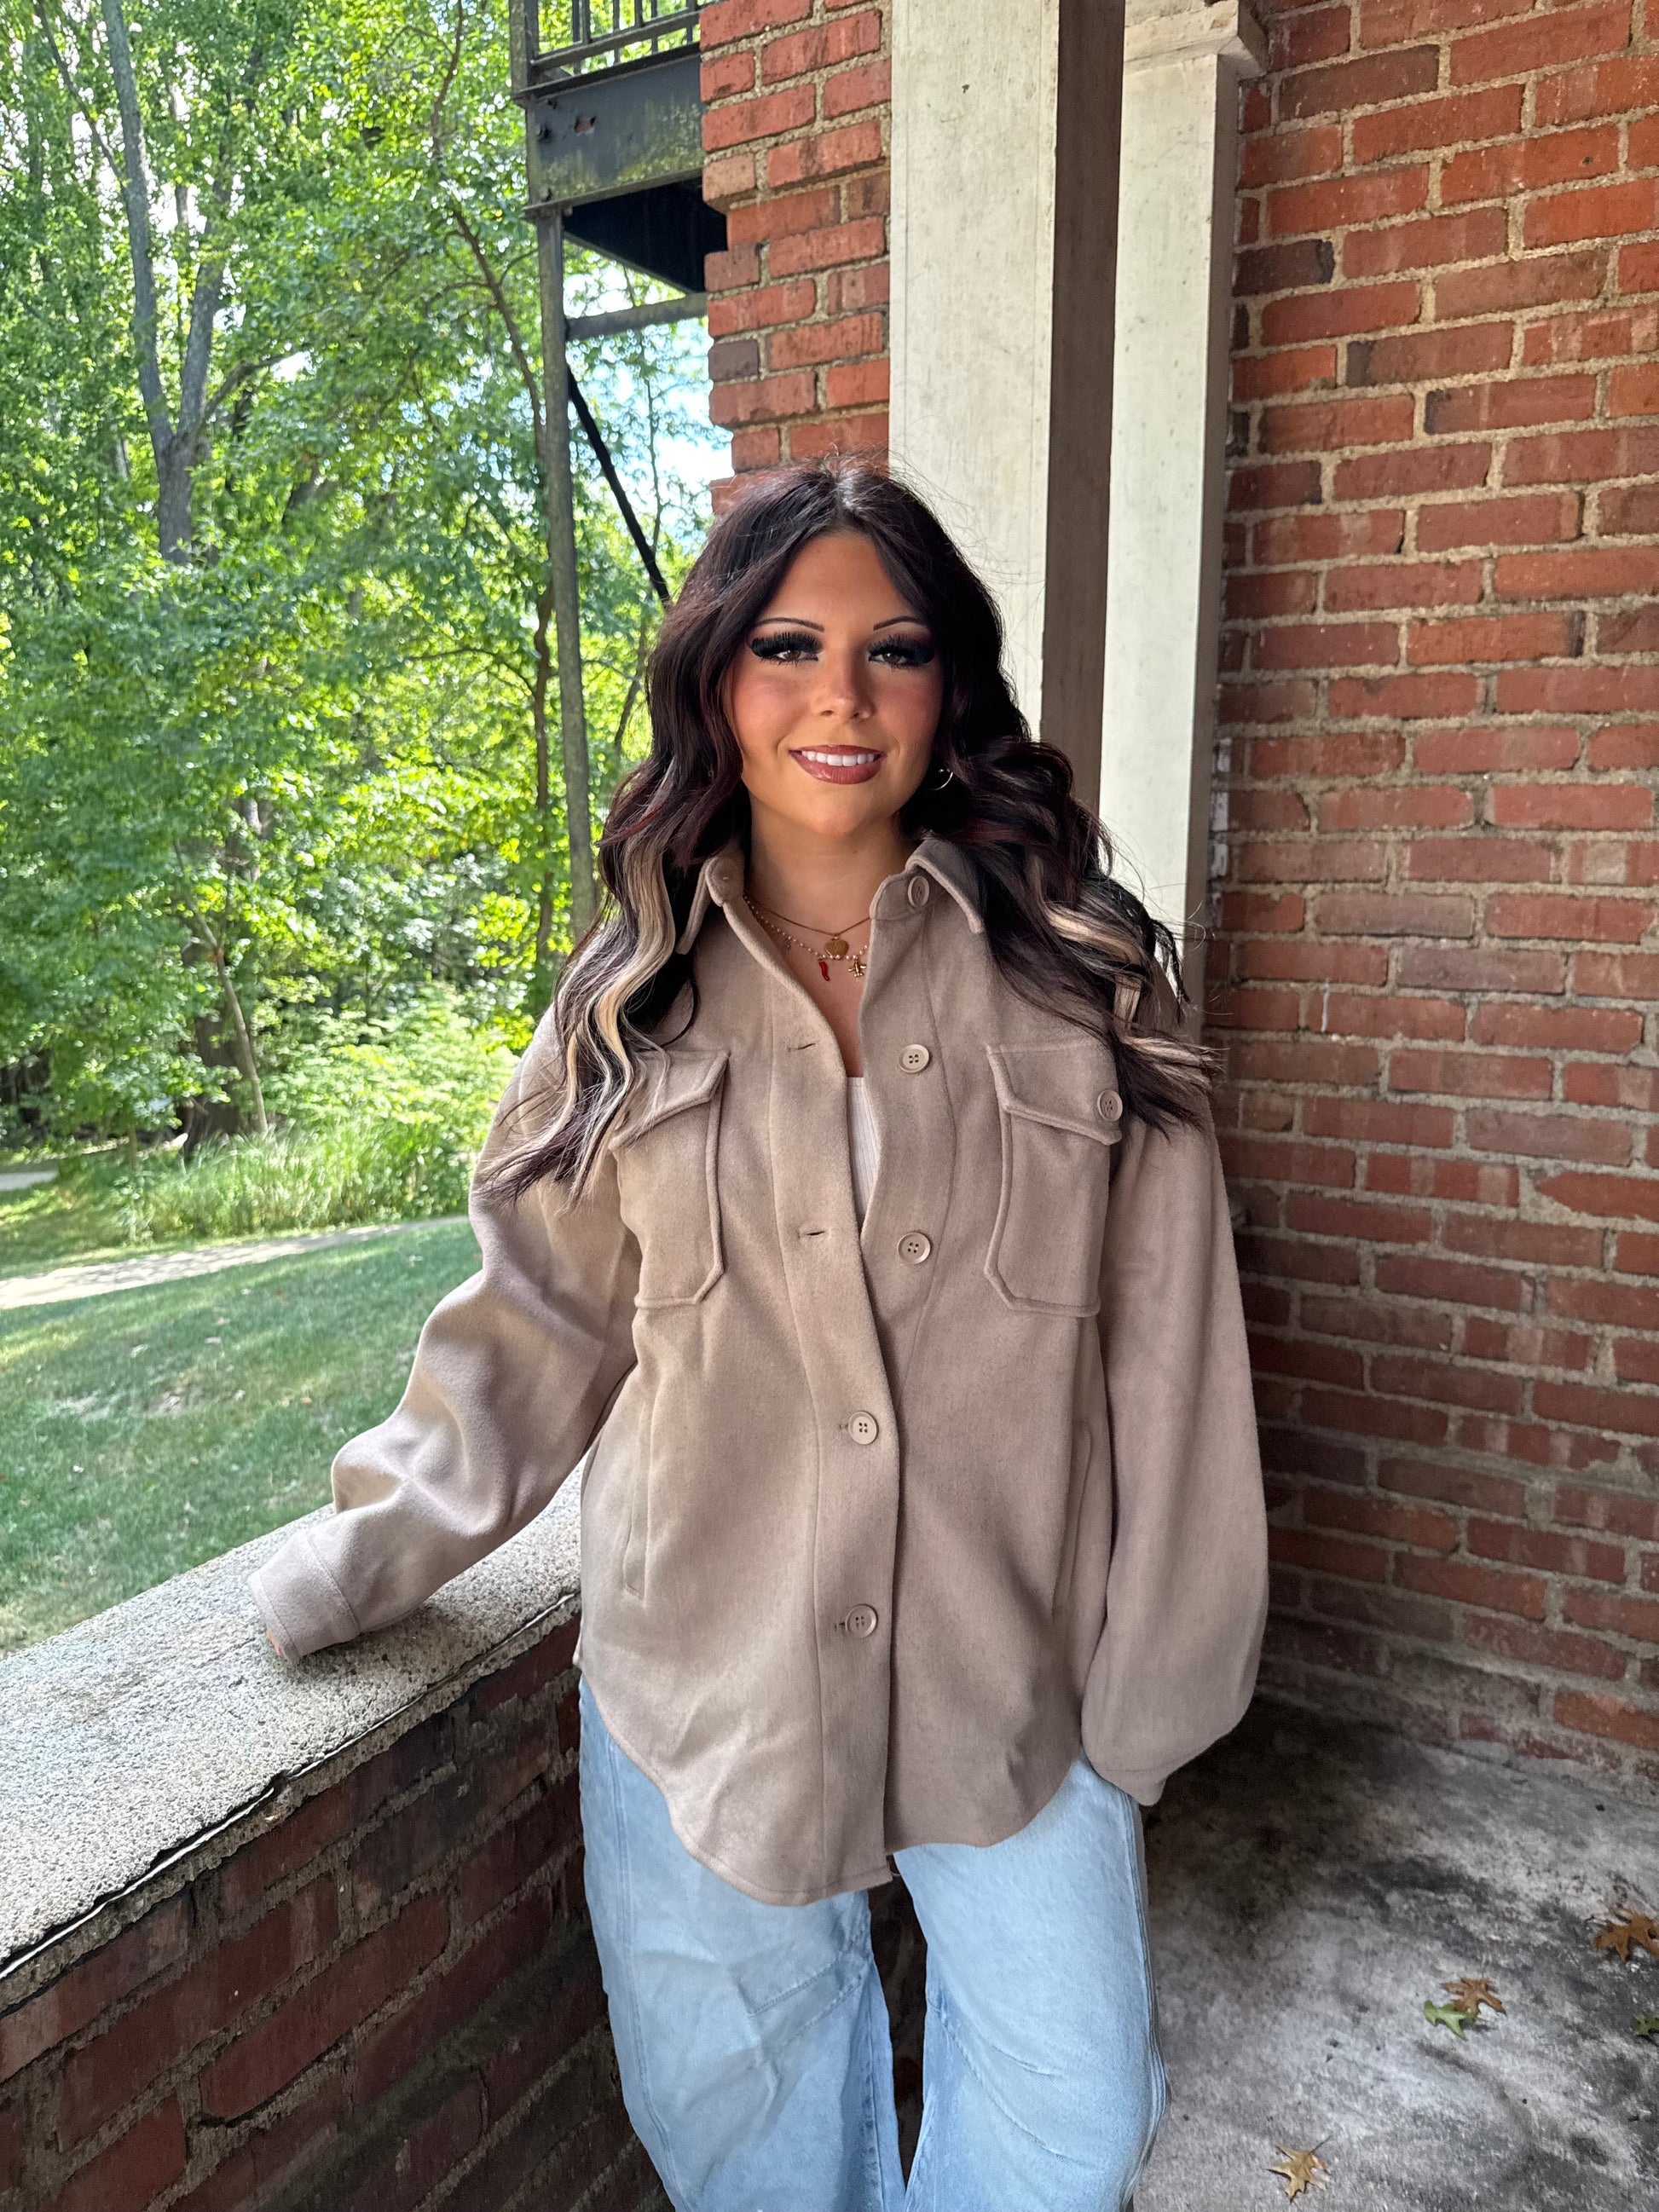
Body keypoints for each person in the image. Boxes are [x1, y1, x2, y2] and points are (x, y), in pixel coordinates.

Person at [250, 457, 1269, 2212]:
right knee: (747, 2149)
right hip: (699, 1682)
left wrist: (1148, 1703)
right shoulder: (626, 1002)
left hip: (1015, 1679)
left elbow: (1173, 1362)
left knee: (1078, 2118)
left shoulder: (1083, 977)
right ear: (718, 681)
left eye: (894, 650)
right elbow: (535, 1321)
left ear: (950, 687)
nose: (839, 697)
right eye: (788, 646)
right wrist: (358, 1557)